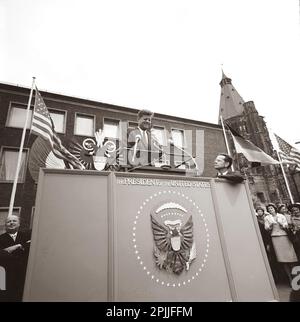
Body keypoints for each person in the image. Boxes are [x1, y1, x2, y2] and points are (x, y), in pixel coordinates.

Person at [264, 203, 298, 284]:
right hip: (275, 238)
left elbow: (286, 225)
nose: (270, 210)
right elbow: (267, 228)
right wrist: (271, 226)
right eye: (269, 209)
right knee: (283, 259)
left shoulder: (281, 216)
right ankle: (290, 279)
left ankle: (296, 278)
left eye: (271, 208)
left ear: (275, 208)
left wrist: (283, 224)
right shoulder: (267, 218)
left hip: (284, 237)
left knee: (291, 258)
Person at [0, 215, 31, 301]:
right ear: (5, 225)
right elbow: (1, 254)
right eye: (9, 221)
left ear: (19, 224)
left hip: (23, 273)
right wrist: (18, 246)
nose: (11, 223)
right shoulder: (1, 238)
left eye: (14, 221)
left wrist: (9, 250)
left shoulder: (27, 236)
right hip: (6, 274)